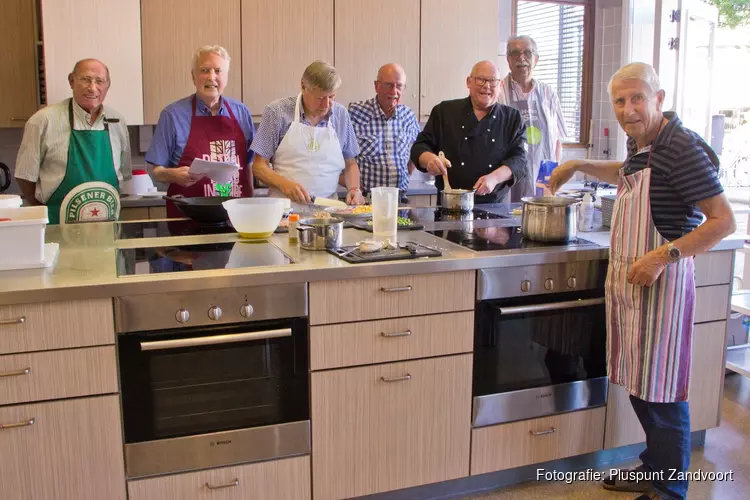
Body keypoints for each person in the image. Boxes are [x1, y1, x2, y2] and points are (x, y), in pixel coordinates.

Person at [549, 62, 736, 500]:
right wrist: (577, 164)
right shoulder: (647, 142)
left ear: (659, 99)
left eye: (637, 98)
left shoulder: (682, 146)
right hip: (636, 290)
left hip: (663, 288)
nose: (628, 109)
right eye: (619, 100)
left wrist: (661, 255)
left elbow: (722, 221)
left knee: (664, 394)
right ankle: (653, 468)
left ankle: (669, 489)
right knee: (641, 386)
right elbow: (626, 172)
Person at [15, 58, 131, 224]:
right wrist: (40, 210)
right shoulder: (43, 121)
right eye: (85, 79)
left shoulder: (117, 121)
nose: (92, 87)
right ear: (71, 81)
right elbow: (25, 176)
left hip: (106, 228)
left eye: (99, 81)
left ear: (107, 85)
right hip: (57, 226)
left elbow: (124, 173)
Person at [147, 45, 255, 218]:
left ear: (226, 77)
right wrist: (173, 175)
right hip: (188, 217)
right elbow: (156, 171)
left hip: (235, 217)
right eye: (204, 70)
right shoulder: (173, 115)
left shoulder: (242, 112)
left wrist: (250, 204)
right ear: (193, 76)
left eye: (218, 71)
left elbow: (248, 164)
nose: (211, 77)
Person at [250, 61, 365, 208]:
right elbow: (259, 166)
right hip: (285, 210)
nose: (326, 105)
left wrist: (354, 189)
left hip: (330, 211)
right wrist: (284, 184)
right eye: (320, 98)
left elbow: (350, 164)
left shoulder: (341, 115)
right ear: (303, 87)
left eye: (332, 97)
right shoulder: (277, 112)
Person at [410, 60, 527, 204]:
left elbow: (520, 160)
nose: (486, 86)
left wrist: (494, 178)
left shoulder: (512, 118)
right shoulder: (444, 112)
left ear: (500, 86)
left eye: (492, 81)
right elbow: (419, 147)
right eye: (480, 80)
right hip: (450, 205)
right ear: (469, 82)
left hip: (494, 208)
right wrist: (429, 160)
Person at [498, 35, 568, 200]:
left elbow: (558, 140)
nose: (521, 58)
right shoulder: (497, 91)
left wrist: (555, 174)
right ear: (508, 59)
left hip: (542, 180)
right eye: (515, 53)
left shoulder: (549, 94)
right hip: (507, 181)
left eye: (527, 53)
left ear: (535, 59)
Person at [348, 63, 420, 202]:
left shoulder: (409, 116)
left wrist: (407, 172)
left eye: (399, 86)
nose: (394, 92)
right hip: (365, 200)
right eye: (389, 85)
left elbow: (418, 150)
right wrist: (353, 186)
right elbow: (338, 155)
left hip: (400, 200)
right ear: (376, 86)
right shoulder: (355, 112)